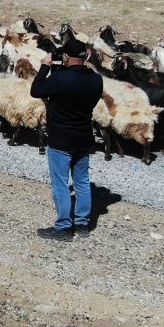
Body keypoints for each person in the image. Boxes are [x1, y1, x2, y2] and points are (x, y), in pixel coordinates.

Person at [28, 36, 103, 241]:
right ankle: (82, 224)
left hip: (61, 140)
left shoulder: (60, 79)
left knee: (60, 183)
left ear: (66, 57)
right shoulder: (96, 80)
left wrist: (45, 67)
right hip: (84, 138)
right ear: (86, 55)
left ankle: (63, 228)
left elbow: (36, 90)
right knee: (82, 181)